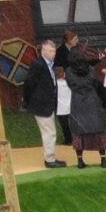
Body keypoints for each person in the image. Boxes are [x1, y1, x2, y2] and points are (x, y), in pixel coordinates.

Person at [24, 39, 68, 168]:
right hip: (41, 105)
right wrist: (28, 101)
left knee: (49, 132)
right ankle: (50, 159)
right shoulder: (38, 65)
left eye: (54, 50)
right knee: (49, 132)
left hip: (47, 104)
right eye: (50, 50)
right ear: (43, 51)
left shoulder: (50, 65)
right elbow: (29, 84)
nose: (53, 53)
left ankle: (50, 157)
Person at [66, 57, 106, 168]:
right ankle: (103, 160)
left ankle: (80, 162)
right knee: (97, 129)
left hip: (77, 102)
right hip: (92, 101)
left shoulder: (69, 71)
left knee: (78, 132)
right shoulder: (91, 69)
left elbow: (70, 85)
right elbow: (95, 83)